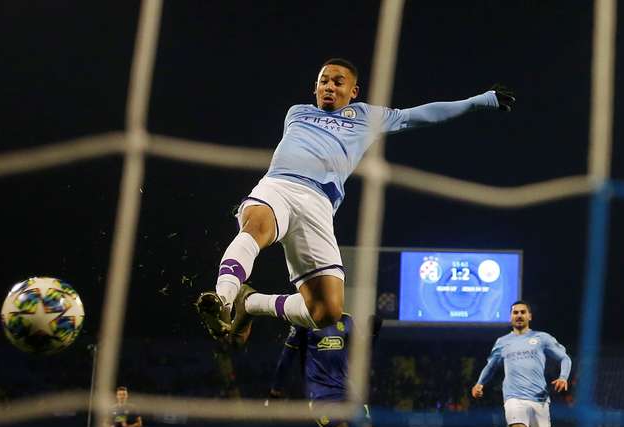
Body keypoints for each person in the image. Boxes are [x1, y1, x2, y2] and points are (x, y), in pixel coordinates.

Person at [196, 57, 515, 345]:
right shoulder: (297, 113)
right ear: (315, 87)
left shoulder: (367, 116)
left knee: (326, 312)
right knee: (256, 228)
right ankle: (223, 298)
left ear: (354, 91)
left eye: (337, 82)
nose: (329, 87)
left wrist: (480, 101)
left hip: (319, 204)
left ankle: (249, 303)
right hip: (279, 185)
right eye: (323, 81)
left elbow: (421, 115)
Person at [471, 300, 571, 427]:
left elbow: (565, 358)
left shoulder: (541, 338)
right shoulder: (502, 342)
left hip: (540, 399)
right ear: (510, 317)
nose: (518, 315)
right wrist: (480, 383)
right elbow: (491, 366)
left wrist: (563, 377)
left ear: (529, 316)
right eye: (515, 312)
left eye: (522, 312)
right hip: (513, 398)